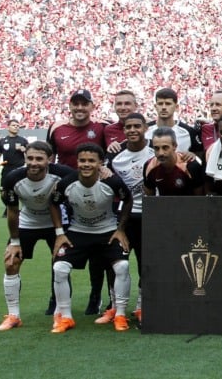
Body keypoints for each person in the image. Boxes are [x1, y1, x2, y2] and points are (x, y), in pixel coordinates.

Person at [48, 143, 133, 333]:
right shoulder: (67, 183)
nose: (86, 164)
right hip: (78, 232)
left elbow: (128, 200)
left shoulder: (112, 181)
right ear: (77, 162)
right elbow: (53, 203)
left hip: (107, 231)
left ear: (100, 163)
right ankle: (65, 317)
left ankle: (120, 314)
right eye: (82, 160)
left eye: (91, 161)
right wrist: (60, 233)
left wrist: (120, 229)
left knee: (122, 266)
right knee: (59, 268)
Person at [0, 142, 73, 332]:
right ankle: (13, 316)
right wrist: (15, 242)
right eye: (30, 158)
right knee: (11, 262)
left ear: (49, 159)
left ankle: (61, 315)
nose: (33, 163)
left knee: (61, 266)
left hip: (57, 223)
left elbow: (85, 179)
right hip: (27, 222)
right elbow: (12, 211)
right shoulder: (13, 178)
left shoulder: (63, 173)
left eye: (39, 158)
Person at [46, 89, 107, 316]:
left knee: (96, 249)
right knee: (59, 245)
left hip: (93, 196)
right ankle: (56, 298)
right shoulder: (56, 128)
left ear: (92, 106)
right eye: (76, 103)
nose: (80, 108)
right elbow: (49, 159)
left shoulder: (102, 127)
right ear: (70, 105)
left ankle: (95, 296)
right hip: (64, 197)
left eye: (84, 104)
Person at [101, 113, 153, 326]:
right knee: (114, 262)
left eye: (137, 126)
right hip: (123, 216)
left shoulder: (155, 149)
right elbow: (104, 181)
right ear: (123, 130)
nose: (132, 130)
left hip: (149, 215)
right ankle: (115, 306)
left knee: (145, 262)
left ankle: (141, 306)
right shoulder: (115, 155)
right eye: (128, 127)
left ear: (145, 128)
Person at [143, 127, 206, 197]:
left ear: (175, 146)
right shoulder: (149, 166)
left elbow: (200, 199)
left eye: (165, 147)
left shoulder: (191, 166)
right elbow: (150, 200)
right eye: (156, 148)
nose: (160, 153)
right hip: (164, 204)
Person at [145, 88, 202, 154]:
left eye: (168, 104)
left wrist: (194, 155)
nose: (163, 107)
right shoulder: (145, 130)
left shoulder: (189, 132)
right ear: (155, 106)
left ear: (176, 107)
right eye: (160, 104)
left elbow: (200, 154)